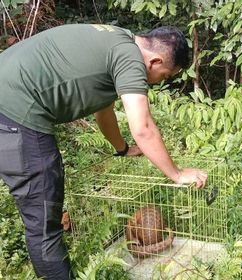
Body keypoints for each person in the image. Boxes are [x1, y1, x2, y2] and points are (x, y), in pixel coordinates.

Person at [0, 24, 207, 279]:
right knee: (44, 222)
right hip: (13, 110)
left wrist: (121, 149)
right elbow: (142, 127)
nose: (157, 82)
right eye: (164, 76)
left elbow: (104, 111)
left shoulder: (117, 41)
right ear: (155, 61)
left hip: (8, 96)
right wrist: (177, 174)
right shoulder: (131, 59)